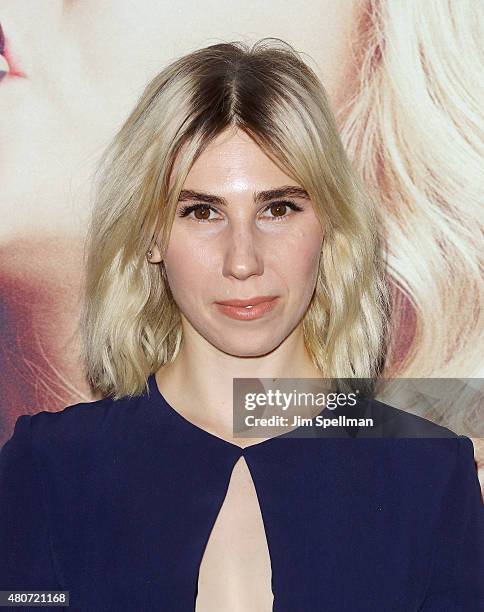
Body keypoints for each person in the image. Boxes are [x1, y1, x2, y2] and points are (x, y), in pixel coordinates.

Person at [1, 39, 482, 612]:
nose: (242, 261)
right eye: (201, 212)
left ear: (328, 224)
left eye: (278, 209)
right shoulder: (50, 467)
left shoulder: (428, 472)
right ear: (151, 235)